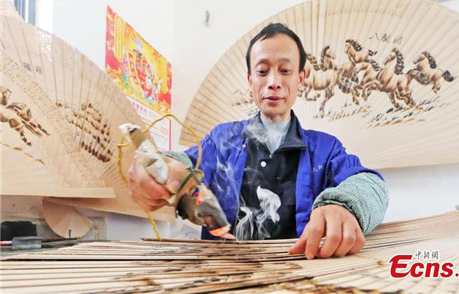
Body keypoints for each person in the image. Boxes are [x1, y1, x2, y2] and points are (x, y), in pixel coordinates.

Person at [128, 23, 388, 259]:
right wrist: (163, 167)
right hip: (225, 276)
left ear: (300, 78)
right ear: (251, 80)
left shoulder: (325, 148)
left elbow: (369, 183)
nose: (273, 82)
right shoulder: (221, 139)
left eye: (285, 70)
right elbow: (184, 162)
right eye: (263, 71)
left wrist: (345, 206)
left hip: (304, 276)